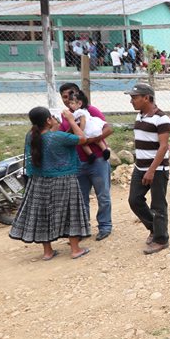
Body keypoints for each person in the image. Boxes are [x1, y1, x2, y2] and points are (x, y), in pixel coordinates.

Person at [8, 106, 91, 260]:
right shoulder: (58, 137)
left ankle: (48, 252)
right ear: (48, 120)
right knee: (70, 212)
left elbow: (48, 141)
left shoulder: (31, 136)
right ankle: (75, 249)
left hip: (38, 181)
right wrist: (72, 121)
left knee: (43, 214)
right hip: (64, 179)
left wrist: (55, 127)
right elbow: (82, 138)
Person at [57, 82, 114, 240]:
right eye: (64, 97)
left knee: (102, 195)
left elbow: (108, 128)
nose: (68, 99)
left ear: (78, 95)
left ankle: (105, 226)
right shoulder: (65, 115)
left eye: (70, 95)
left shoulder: (90, 110)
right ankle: (84, 228)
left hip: (98, 160)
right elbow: (65, 135)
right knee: (81, 198)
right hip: (77, 161)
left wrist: (92, 140)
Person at [127, 83, 170, 254]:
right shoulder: (140, 116)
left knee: (158, 204)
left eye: (134, 98)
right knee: (134, 200)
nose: (131, 101)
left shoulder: (161, 118)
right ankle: (155, 228)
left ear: (146, 98)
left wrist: (152, 170)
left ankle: (161, 239)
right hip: (141, 167)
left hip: (157, 169)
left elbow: (163, 147)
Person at [65, 91, 108, 162]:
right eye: (70, 103)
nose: (70, 105)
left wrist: (81, 131)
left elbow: (83, 121)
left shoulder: (78, 112)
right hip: (93, 127)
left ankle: (91, 155)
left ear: (79, 104)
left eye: (72, 103)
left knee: (84, 144)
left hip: (86, 128)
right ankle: (105, 150)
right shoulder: (85, 110)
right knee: (98, 140)